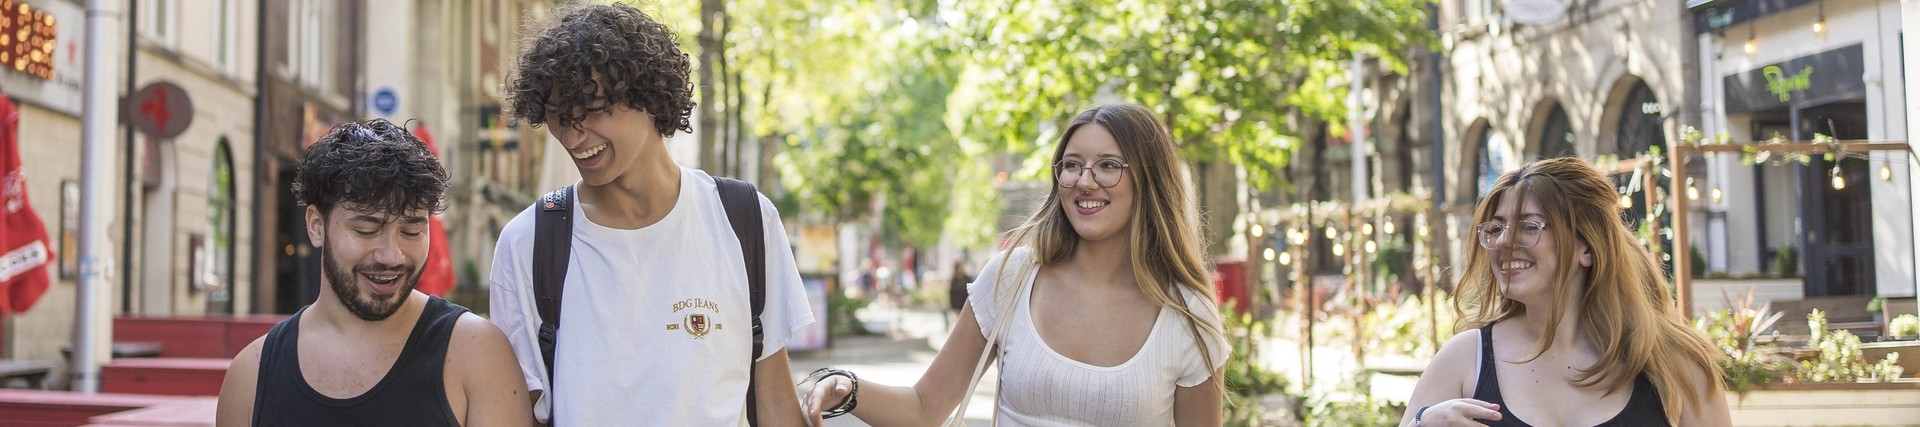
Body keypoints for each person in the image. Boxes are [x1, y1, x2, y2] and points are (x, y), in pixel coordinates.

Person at [487, 3, 813, 426]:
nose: (572, 134)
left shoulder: (745, 219)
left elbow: (775, 406)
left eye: (592, 107)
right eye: (559, 116)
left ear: (648, 96)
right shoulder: (529, 243)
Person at [801, 103, 1227, 426]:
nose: (1085, 180)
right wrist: (848, 388)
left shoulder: (1188, 315)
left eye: (1109, 166)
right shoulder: (1011, 277)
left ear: (1150, 180)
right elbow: (925, 407)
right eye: (1072, 165)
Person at [215, 119, 530, 426]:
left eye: (411, 232)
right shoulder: (253, 375)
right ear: (316, 226)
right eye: (366, 229)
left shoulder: (477, 354)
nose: (391, 256)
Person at [1400, 157, 1730, 426]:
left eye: (1530, 226)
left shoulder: (1674, 364)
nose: (1502, 242)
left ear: (1587, 248)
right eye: (1496, 228)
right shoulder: (1464, 360)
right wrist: (1421, 424)